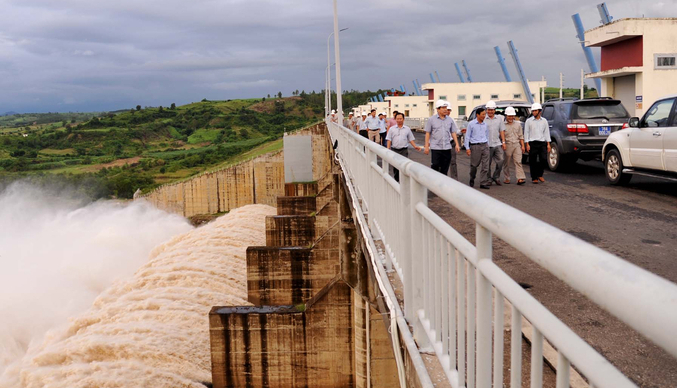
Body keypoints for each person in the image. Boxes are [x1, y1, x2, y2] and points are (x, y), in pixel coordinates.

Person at [424, 100, 460, 176]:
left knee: (445, 168)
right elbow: (428, 133)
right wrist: (426, 146)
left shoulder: (450, 120)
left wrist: (457, 144)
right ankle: (434, 183)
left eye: (446, 108)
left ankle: (442, 185)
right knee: (435, 166)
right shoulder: (431, 120)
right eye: (443, 108)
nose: (445, 109)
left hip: (447, 147)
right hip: (436, 147)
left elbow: (453, 132)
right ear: (438, 109)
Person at [386, 112, 422, 182]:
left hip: (404, 150)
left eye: (400, 119)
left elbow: (410, 139)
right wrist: (388, 148)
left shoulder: (407, 129)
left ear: (403, 119)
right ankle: (397, 180)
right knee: (395, 166)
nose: (399, 120)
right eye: (398, 119)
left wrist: (415, 146)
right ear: (395, 119)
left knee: (403, 165)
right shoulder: (392, 129)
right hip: (394, 150)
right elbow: (389, 139)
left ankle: (404, 180)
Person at [524, 102, 551, 184]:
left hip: (542, 142)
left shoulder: (544, 121)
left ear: (540, 111)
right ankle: (534, 177)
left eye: (535, 111)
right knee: (532, 161)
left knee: (543, 159)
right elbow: (526, 132)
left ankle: (540, 174)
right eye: (533, 111)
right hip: (532, 143)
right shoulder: (529, 121)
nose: (534, 112)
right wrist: (527, 144)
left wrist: (548, 144)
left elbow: (546, 132)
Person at [464, 107, 491, 189]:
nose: (484, 116)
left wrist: (487, 145)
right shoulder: (471, 124)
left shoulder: (485, 125)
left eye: (485, 114)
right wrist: (467, 148)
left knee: (485, 166)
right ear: (477, 115)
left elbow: (487, 135)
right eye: (482, 114)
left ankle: (483, 182)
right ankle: (472, 178)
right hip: (475, 146)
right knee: (474, 165)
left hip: (485, 145)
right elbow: (467, 137)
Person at [502, 107, 526, 185]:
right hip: (507, 145)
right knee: (507, 162)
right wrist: (503, 143)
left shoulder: (518, 124)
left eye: (512, 116)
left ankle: (520, 178)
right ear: (506, 116)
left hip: (516, 144)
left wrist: (522, 146)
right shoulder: (502, 125)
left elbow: (521, 136)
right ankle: (507, 178)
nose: (511, 118)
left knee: (518, 161)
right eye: (509, 116)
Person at [484, 101, 506, 186]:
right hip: (487, 144)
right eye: (489, 110)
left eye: (492, 110)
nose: (490, 111)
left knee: (501, 160)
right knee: (487, 163)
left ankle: (496, 177)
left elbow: (502, 131)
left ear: (494, 110)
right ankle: (489, 179)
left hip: (497, 143)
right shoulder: (483, 119)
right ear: (486, 110)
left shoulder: (499, 119)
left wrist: (503, 142)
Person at [443, 102, 462, 180]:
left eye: (449, 110)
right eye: (447, 110)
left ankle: (454, 179)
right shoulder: (436, 120)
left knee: (453, 161)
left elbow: (455, 131)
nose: (448, 112)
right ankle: (443, 177)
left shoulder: (452, 120)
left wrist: (461, 132)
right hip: (442, 144)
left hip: (451, 143)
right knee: (443, 162)